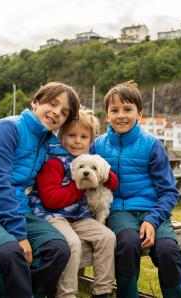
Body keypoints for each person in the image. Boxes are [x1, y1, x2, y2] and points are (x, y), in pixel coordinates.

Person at [0, 82, 80, 298]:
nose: (56, 112)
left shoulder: (47, 142)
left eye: (64, 112)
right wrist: (19, 235)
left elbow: (75, 155)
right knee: (10, 252)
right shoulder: (6, 129)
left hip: (17, 209)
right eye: (53, 103)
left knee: (57, 249)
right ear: (35, 102)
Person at [92, 81, 181, 298]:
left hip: (153, 211)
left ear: (139, 114)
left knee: (168, 251)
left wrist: (153, 220)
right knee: (127, 245)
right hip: (118, 211)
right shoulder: (98, 146)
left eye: (128, 109)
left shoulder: (152, 145)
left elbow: (169, 191)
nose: (121, 115)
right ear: (107, 115)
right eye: (114, 110)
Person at [30, 109, 117, 298]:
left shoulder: (90, 160)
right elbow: (51, 200)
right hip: (52, 215)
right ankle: (66, 294)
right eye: (71, 135)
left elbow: (112, 182)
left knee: (107, 237)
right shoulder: (54, 162)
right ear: (61, 136)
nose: (77, 141)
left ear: (90, 141)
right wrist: (80, 186)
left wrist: (104, 175)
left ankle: (103, 290)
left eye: (83, 137)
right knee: (72, 243)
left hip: (78, 216)